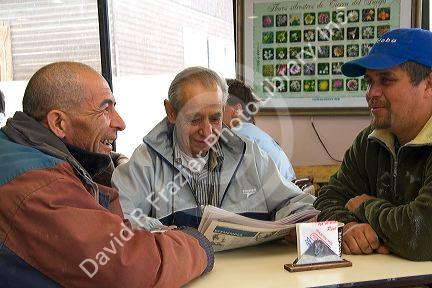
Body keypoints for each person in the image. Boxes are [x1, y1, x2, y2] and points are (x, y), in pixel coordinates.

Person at [0, 62, 214, 287]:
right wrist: (196, 243)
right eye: (105, 109)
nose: (120, 123)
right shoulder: (40, 185)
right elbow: (128, 269)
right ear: (58, 123)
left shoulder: (24, 155)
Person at [112, 66, 315, 230]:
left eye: (216, 118)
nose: (208, 131)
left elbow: (297, 203)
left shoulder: (250, 155)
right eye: (195, 119)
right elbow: (119, 222)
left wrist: (298, 222)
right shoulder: (146, 162)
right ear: (171, 113)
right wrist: (167, 235)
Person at [314, 28, 432, 261]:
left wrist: (364, 207)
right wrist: (348, 227)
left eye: (386, 79)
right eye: (369, 81)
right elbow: (326, 199)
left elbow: (422, 234)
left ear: (428, 85)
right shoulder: (370, 139)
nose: (371, 93)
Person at [223, 79, 296, 181]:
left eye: (219, 107)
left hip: (278, 194)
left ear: (236, 110)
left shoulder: (237, 136)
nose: (215, 114)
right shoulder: (252, 132)